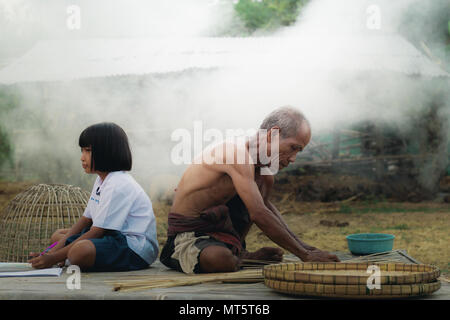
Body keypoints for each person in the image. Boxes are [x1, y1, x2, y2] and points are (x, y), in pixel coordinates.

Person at [160, 106, 340, 274]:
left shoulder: (264, 173)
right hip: (186, 238)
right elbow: (258, 213)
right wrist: (305, 256)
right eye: (293, 148)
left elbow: (266, 208)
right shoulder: (235, 154)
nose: (293, 158)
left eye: (298, 152)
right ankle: (238, 257)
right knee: (221, 259)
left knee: (259, 192)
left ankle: (239, 252)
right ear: (272, 135)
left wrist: (307, 248)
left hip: (222, 237)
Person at [29, 122, 159, 272]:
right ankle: (66, 256)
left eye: (88, 151)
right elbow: (86, 220)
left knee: (79, 251)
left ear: (107, 152)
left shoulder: (118, 183)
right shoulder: (101, 179)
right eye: (82, 151)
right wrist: (50, 253)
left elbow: (97, 231)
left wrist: (54, 257)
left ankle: (68, 257)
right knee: (58, 235)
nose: (82, 158)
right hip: (111, 236)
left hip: (134, 248)